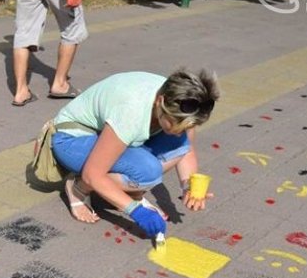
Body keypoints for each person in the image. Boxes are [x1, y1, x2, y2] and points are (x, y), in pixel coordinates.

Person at [50, 68, 220, 237]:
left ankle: (126, 192)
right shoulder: (131, 112)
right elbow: (92, 175)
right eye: (177, 125)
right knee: (148, 171)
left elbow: (185, 148)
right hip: (71, 140)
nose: (180, 133)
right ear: (160, 101)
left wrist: (188, 186)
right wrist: (136, 211)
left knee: (176, 144)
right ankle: (78, 187)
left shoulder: (182, 100)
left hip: (109, 133)